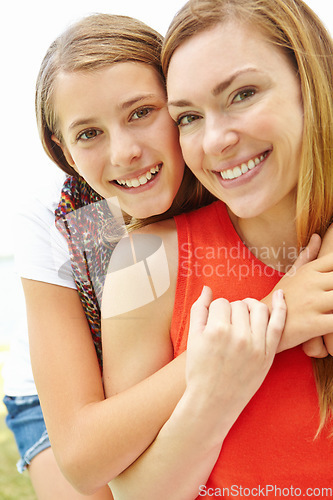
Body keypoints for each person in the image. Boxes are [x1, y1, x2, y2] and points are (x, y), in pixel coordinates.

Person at [26, 10, 332, 498]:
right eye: (88, 133)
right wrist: (267, 323)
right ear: (63, 150)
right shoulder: (68, 225)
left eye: (142, 113)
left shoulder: (229, 165)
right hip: (59, 398)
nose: (125, 151)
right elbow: (88, 458)